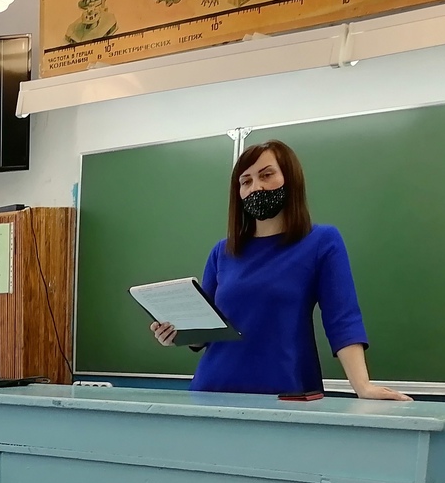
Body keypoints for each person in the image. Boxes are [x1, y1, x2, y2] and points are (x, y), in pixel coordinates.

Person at [151, 140, 410, 399]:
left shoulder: (321, 241)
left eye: (266, 175)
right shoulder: (222, 251)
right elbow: (204, 332)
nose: (256, 187)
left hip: (287, 392)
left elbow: (343, 319)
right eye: (246, 181)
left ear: (290, 178)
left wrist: (362, 386)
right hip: (212, 390)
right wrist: (176, 333)